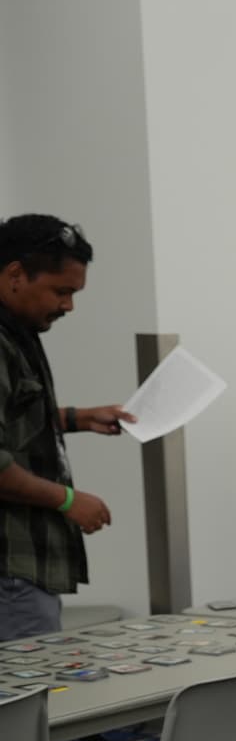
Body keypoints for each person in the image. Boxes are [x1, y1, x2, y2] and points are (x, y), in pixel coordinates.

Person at [0, 215, 134, 639]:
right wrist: (68, 499)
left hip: (24, 569)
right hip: (10, 570)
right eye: (61, 292)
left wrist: (78, 418)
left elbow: (13, 418)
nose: (67, 306)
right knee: (25, 702)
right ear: (15, 274)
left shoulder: (17, 330)